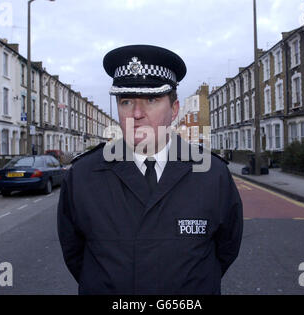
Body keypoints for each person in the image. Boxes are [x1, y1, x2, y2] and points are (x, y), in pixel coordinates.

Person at [57, 44, 243, 295]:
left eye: (152, 100)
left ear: (174, 110)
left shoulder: (212, 173)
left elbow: (225, 249)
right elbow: (75, 254)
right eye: (126, 102)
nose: (136, 113)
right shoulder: (82, 176)